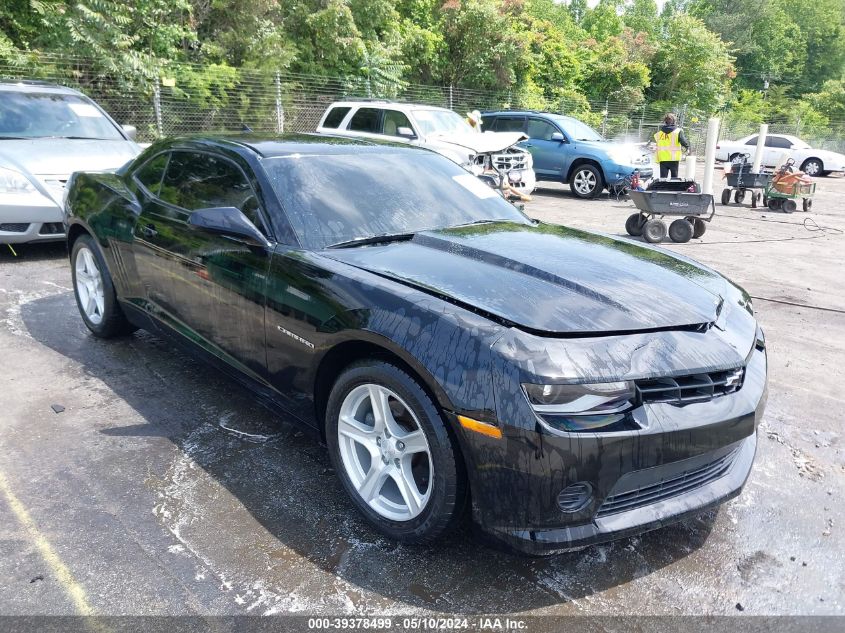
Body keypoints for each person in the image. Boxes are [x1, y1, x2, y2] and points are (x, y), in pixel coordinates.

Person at [653, 113, 690, 178]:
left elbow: (658, 144)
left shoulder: (659, 133)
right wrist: (687, 148)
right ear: (674, 121)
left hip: (663, 158)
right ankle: (672, 188)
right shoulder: (678, 131)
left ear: (665, 121)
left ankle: (664, 188)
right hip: (674, 158)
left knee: (663, 178)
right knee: (674, 178)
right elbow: (683, 141)